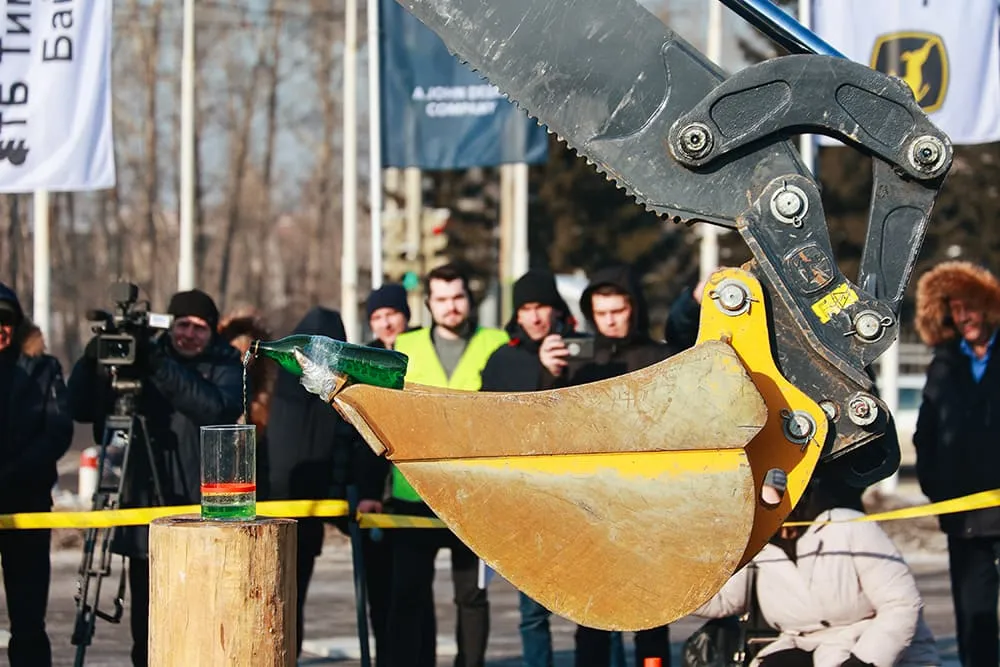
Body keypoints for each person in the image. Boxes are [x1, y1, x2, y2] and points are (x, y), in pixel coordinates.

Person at [68, 288, 244, 667]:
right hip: (144, 505)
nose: (189, 334)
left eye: (199, 327)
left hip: (201, 510)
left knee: (202, 618)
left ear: (212, 331)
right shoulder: (144, 356)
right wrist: (91, 361)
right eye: (183, 325)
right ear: (171, 325)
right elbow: (81, 408)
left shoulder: (225, 362)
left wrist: (158, 365)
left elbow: (215, 409)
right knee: (148, 624)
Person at [539, 264, 675, 667]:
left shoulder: (660, 357)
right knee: (593, 618)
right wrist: (548, 373)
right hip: (592, 504)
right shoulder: (578, 360)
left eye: (618, 311)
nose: (610, 321)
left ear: (635, 308)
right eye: (601, 313)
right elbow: (547, 420)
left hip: (649, 503)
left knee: (653, 617)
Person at [387, 263, 509, 667]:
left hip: (474, 493)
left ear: (469, 300)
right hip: (414, 488)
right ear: (428, 304)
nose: (450, 306)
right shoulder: (405, 345)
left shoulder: (496, 343)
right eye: (441, 299)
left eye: (457, 297)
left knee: (471, 595)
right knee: (408, 594)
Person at [694, 474, 940, 667]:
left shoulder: (847, 526)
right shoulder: (757, 543)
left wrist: (864, 662)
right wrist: (677, 586)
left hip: (876, 649)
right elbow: (725, 599)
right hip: (803, 646)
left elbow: (901, 605)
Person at [263, 306, 388, 659]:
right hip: (293, 510)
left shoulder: (292, 386)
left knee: (284, 599)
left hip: (297, 509)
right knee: (285, 599)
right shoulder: (309, 390)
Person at [481, 269, 573, 667]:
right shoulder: (503, 359)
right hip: (528, 498)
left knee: (599, 607)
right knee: (533, 612)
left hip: (581, 492)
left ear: (556, 310)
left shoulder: (579, 351)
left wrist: (562, 369)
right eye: (526, 308)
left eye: (541, 307)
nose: (535, 317)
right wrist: (542, 373)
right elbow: (493, 422)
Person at [912, 260, 1000, 667]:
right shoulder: (944, 364)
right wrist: (938, 487)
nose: (963, 317)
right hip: (965, 512)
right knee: (973, 614)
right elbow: (925, 434)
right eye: (955, 309)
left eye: (970, 306)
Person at [0, 284, 73, 667]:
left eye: (6, 319)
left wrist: (14, 472)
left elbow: (58, 431)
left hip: (27, 503)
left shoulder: (44, 367)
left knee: (28, 620)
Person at [366, 283, 414, 349]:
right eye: (377, 318)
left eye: (390, 314)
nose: (385, 324)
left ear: (405, 315)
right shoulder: (366, 353)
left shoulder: (427, 342)